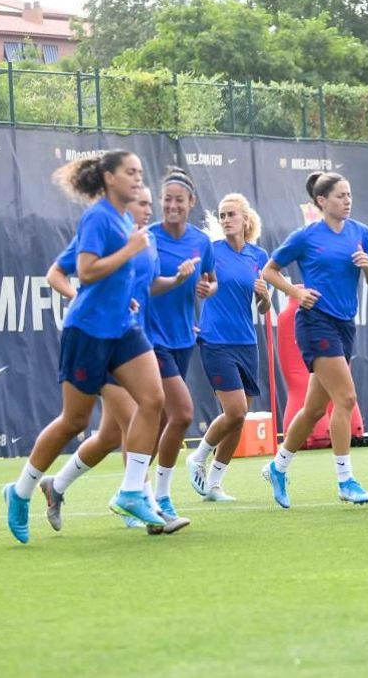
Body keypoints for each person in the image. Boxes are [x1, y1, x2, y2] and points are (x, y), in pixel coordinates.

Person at [3, 151, 170, 544]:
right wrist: (128, 252)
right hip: (88, 331)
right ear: (109, 177)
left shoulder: (125, 219)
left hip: (123, 329)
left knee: (153, 399)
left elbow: (112, 274)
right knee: (74, 422)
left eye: (140, 173)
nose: (137, 179)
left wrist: (126, 296)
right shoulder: (97, 216)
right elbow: (86, 268)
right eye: (130, 172)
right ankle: (22, 491)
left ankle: (132, 492)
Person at [40, 185, 195, 534]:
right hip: (102, 340)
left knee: (111, 435)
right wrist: (80, 295)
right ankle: (144, 505)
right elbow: (57, 272)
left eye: (148, 204)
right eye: (140, 202)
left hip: (133, 342)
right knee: (139, 420)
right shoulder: (105, 231)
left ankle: (56, 486)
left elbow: (151, 284)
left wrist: (178, 280)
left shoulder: (146, 241)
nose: (147, 209)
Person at [261, 171, 368, 508]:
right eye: (340, 196)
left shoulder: (361, 233)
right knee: (345, 398)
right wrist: (294, 291)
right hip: (315, 324)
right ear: (322, 201)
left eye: (349, 195)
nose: (347, 201)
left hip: (345, 326)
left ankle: (278, 466)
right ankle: (346, 481)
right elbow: (269, 270)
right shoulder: (305, 236)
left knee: (314, 409)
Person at [185, 193, 272, 502]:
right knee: (234, 410)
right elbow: (193, 286)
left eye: (231, 214)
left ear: (245, 219)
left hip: (246, 342)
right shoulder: (211, 251)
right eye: (222, 215)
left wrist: (265, 296)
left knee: (240, 417)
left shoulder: (258, 256)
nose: (226, 220)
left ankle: (215, 485)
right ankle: (198, 457)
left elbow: (262, 308)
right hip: (215, 340)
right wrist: (187, 316)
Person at [146, 169, 216, 526]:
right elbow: (144, 287)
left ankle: (134, 495)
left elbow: (210, 281)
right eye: (167, 199)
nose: (172, 205)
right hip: (150, 338)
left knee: (157, 424)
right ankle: (160, 497)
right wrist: (176, 280)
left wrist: (205, 290)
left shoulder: (201, 242)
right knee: (183, 414)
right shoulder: (147, 238)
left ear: (191, 203)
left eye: (179, 200)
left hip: (183, 338)